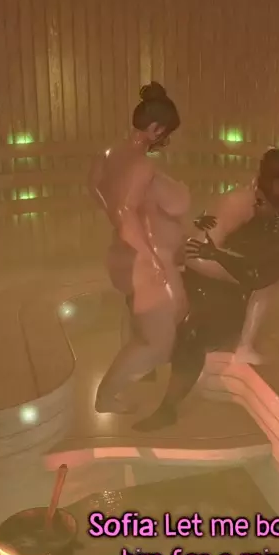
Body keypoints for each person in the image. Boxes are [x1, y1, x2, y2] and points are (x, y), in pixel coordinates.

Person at [131, 171, 279, 432]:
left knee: (193, 333)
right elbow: (195, 250)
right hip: (207, 277)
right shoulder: (237, 205)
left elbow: (256, 273)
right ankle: (150, 372)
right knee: (158, 307)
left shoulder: (272, 225)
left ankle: (168, 407)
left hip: (226, 291)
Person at [88, 82, 190, 414]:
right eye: (165, 133)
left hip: (123, 253)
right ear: (155, 128)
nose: (165, 140)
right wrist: (151, 258)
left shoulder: (109, 153)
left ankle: (130, 376)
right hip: (140, 260)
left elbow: (95, 187)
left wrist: (117, 220)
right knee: (159, 343)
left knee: (149, 321)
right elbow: (124, 210)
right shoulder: (143, 166)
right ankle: (106, 396)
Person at [184, 148, 279, 364]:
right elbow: (211, 243)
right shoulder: (242, 201)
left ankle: (242, 344)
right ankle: (243, 347)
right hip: (200, 254)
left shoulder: (276, 197)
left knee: (268, 274)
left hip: (216, 253)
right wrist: (244, 266)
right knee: (264, 277)